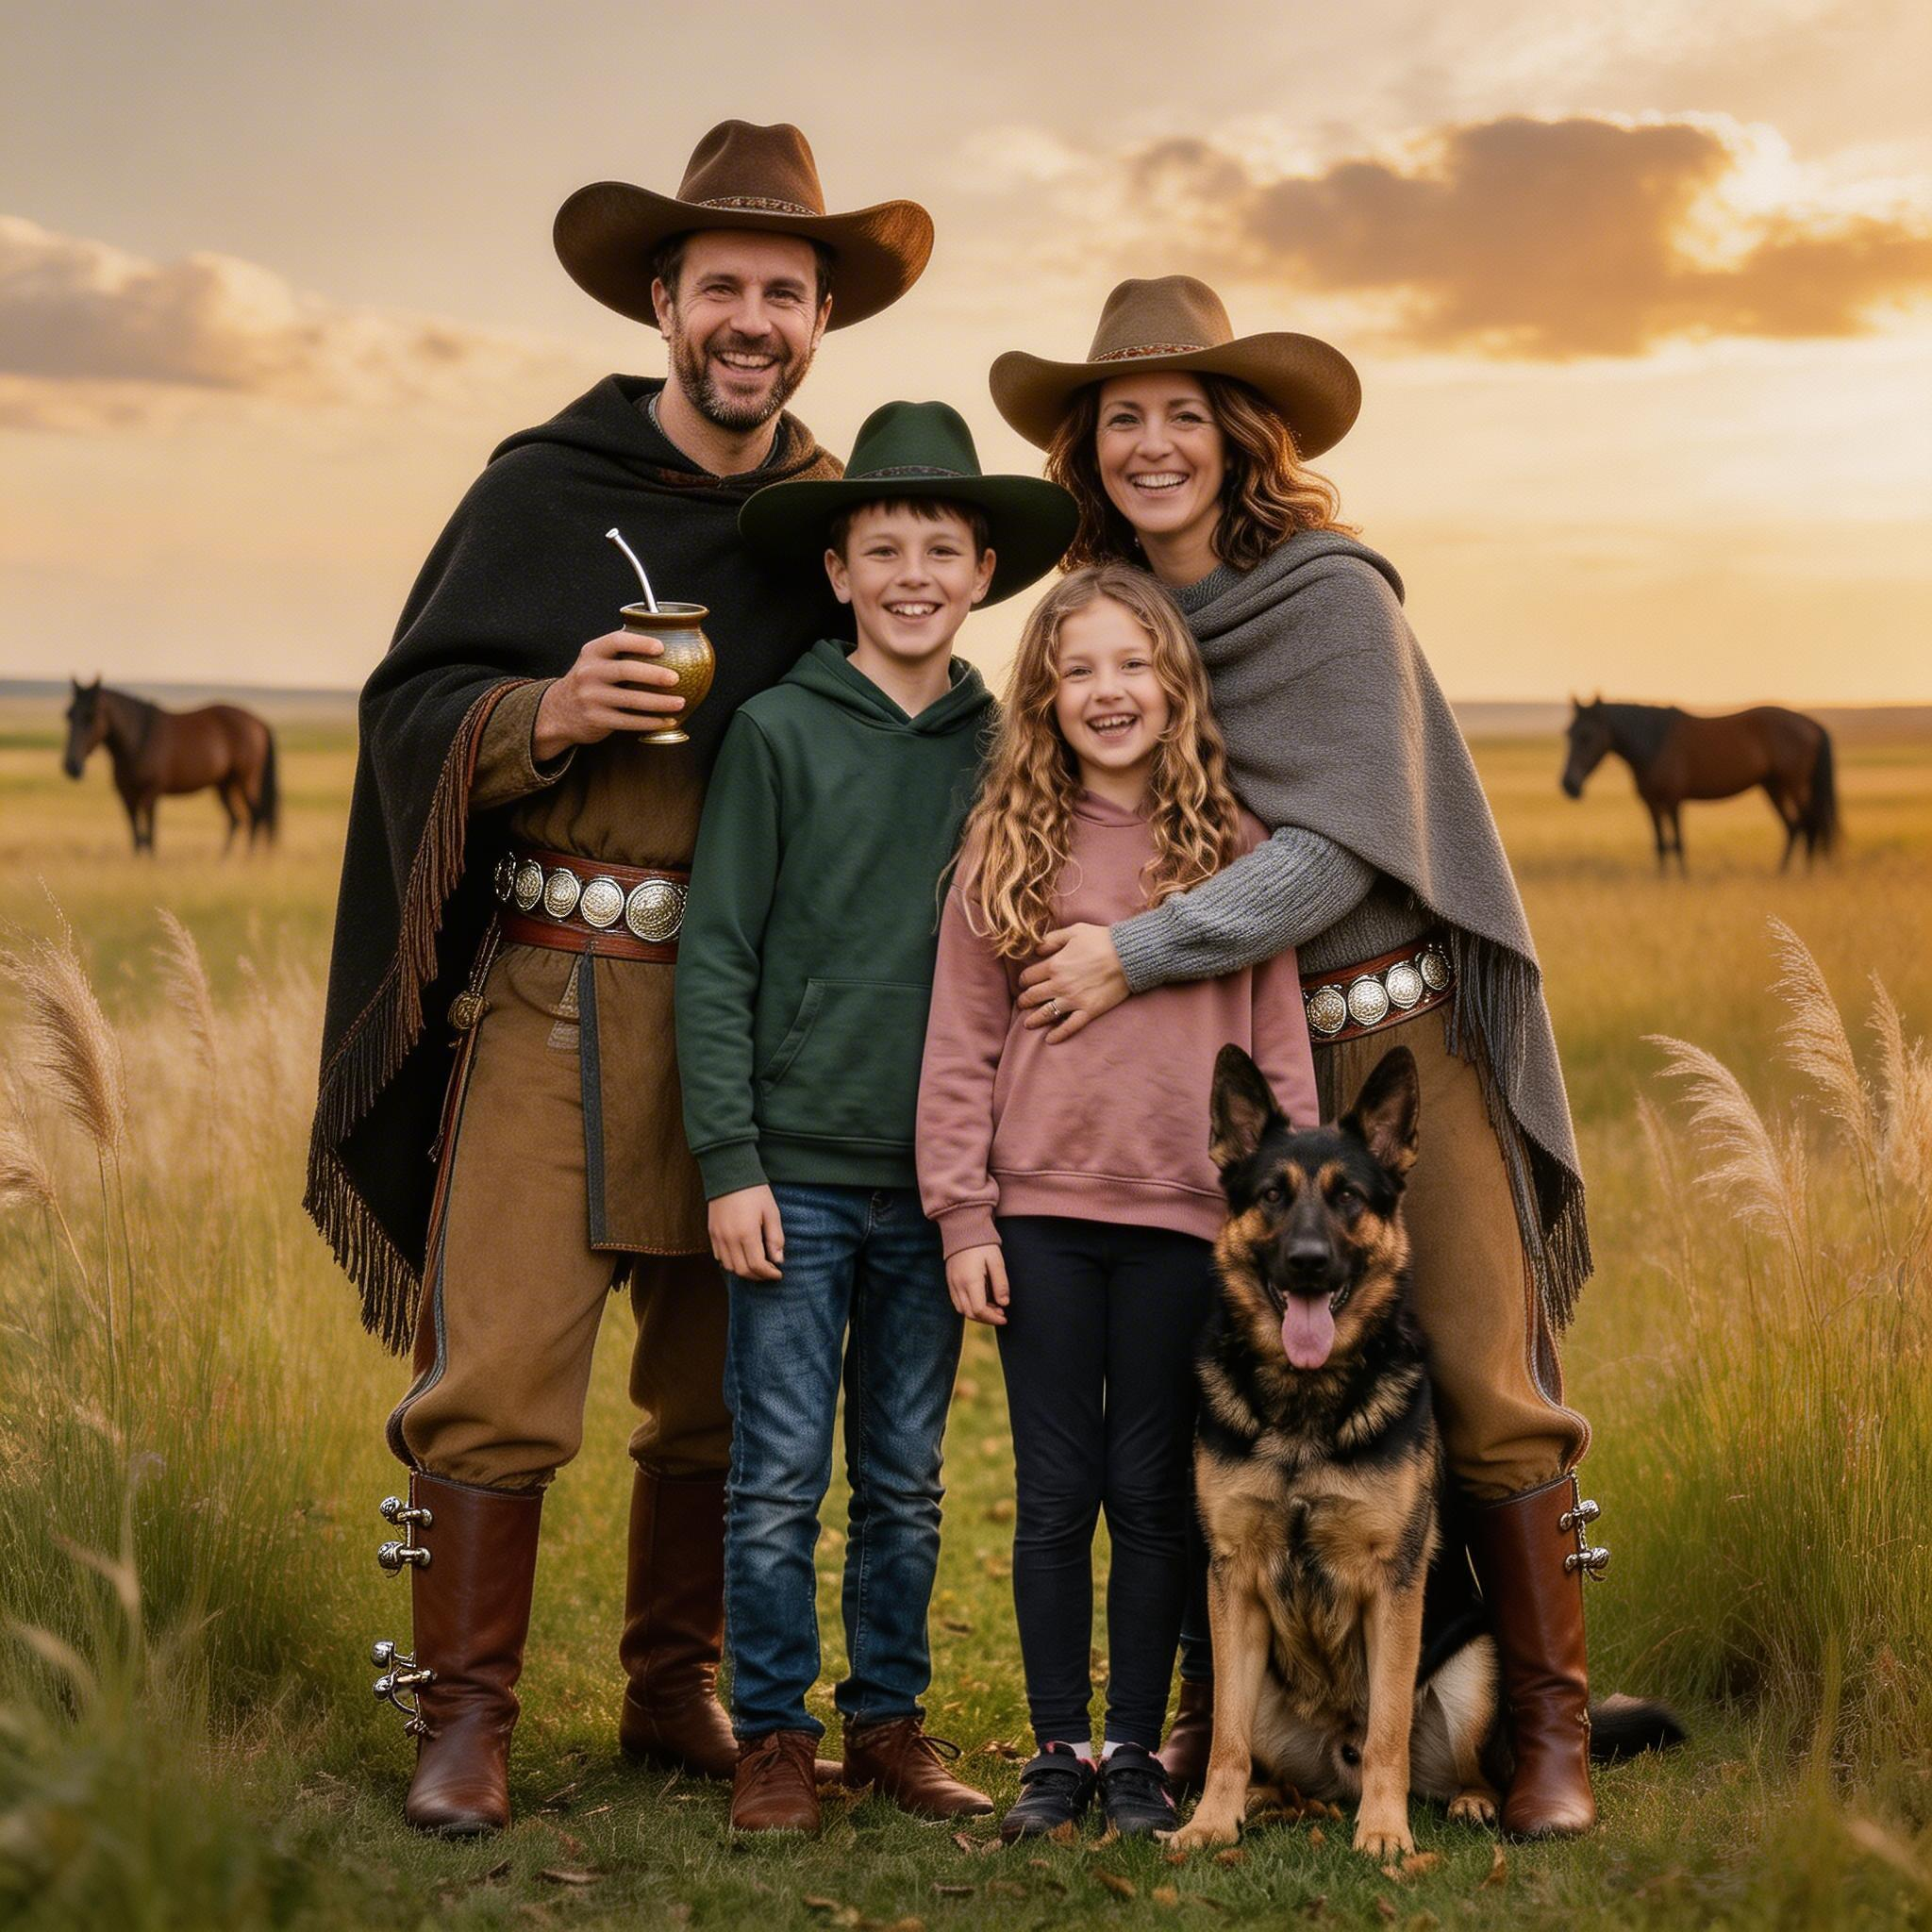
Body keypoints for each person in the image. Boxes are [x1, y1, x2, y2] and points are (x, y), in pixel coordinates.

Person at [305, 121, 934, 1836]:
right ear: (663, 301)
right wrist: (545, 713)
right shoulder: (540, 491)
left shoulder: (834, 526)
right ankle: (464, 1723)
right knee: (498, 1373)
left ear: (822, 320)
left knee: (728, 1390)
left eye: (785, 292)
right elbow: (407, 705)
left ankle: (674, 1693)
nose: (753, 320)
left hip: (758, 1022)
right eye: (722, 285)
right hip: (554, 990)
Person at [987, 276, 1607, 1840]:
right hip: (1226, 1064)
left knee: (1481, 1369)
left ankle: (1545, 1731)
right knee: (1222, 1386)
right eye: (1120, 419)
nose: (1151, 445)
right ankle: (1227, 1715)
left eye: (1182, 416)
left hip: (1392, 1036)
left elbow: (1330, 855)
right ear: (1085, 448)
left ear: (1241, 434)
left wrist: (1135, 950)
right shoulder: (1112, 622)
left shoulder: (1331, 599)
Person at [675, 401, 1077, 1833]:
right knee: (779, 1474)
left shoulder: (1010, 750)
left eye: (943, 550)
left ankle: (890, 1725)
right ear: (838, 572)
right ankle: (776, 1738)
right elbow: (717, 955)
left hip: (937, 1184)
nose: (915, 575)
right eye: (885, 549)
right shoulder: (777, 731)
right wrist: (730, 1160)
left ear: (984, 574)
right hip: (791, 1174)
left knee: (904, 1477)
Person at [917, 564, 1319, 1841]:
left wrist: (1281, 1229)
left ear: (1176, 685)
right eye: (1078, 668)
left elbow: (1279, 1049)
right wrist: (964, 1216)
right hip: (1037, 1219)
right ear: (1043, 694)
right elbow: (958, 1047)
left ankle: (1136, 1752)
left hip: (1186, 1228)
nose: (1108, 691)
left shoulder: (1234, 851)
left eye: (1133, 665)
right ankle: (1057, 1751)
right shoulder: (1009, 846)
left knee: (1153, 1494)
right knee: (1054, 1492)